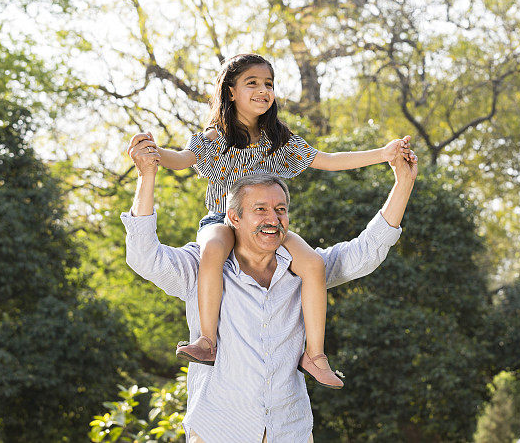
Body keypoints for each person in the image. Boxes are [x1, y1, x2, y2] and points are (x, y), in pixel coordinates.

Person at [123, 130, 418, 442]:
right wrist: (147, 176)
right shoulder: (201, 269)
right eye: (260, 209)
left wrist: (404, 183)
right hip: (219, 432)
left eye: (280, 210)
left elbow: (365, 252)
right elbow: (144, 256)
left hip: (289, 431)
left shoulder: (302, 272)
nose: (273, 219)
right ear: (233, 218)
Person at [143, 53, 411, 389]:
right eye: (252, 83)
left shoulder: (278, 139)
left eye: (268, 84)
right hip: (225, 219)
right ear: (230, 92)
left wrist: (383, 154)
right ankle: (207, 341)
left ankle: (314, 355)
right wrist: (154, 154)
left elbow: (326, 160)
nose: (262, 90)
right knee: (210, 251)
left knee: (313, 263)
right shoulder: (216, 137)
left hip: (270, 225)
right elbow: (182, 159)